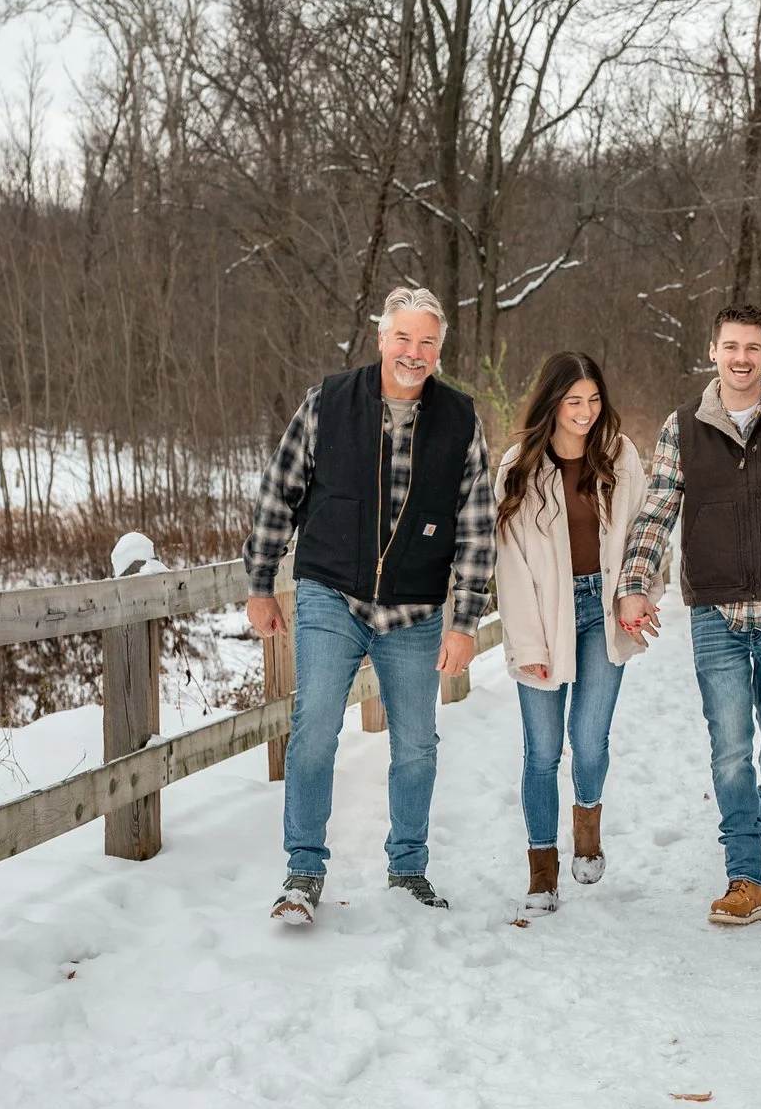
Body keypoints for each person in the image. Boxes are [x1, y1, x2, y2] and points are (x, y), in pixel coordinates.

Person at [244, 286, 493, 925]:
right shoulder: (328, 403)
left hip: (414, 612)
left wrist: (464, 622)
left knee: (416, 745)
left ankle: (408, 868)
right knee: (314, 729)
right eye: (403, 338)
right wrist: (260, 582)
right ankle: (303, 870)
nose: (414, 353)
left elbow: (476, 530)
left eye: (427, 342)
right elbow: (280, 492)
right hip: (331, 593)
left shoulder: (461, 421)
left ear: (439, 350)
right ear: (381, 337)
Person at [614, 303, 761, 926]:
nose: (741, 358)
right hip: (715, 609)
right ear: (713, 351)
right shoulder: (682, 427)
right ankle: (745, 875)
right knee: (729, 748)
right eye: (731, 347)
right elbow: (658, 510)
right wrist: (636, 583)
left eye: (753, 347)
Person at [495, 351, 648, 916]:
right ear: (552, 403)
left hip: (602, 610)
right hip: (543, 616)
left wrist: (640, 593)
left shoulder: (620, 456)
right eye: (573, 401)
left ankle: (587, 822)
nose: (585, 413)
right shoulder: (519, 467)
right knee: (540, 751)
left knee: (588, 739)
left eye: (593, 400)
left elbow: (643, 535)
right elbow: (509, 567)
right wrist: (529, 646)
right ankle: (541, 872)